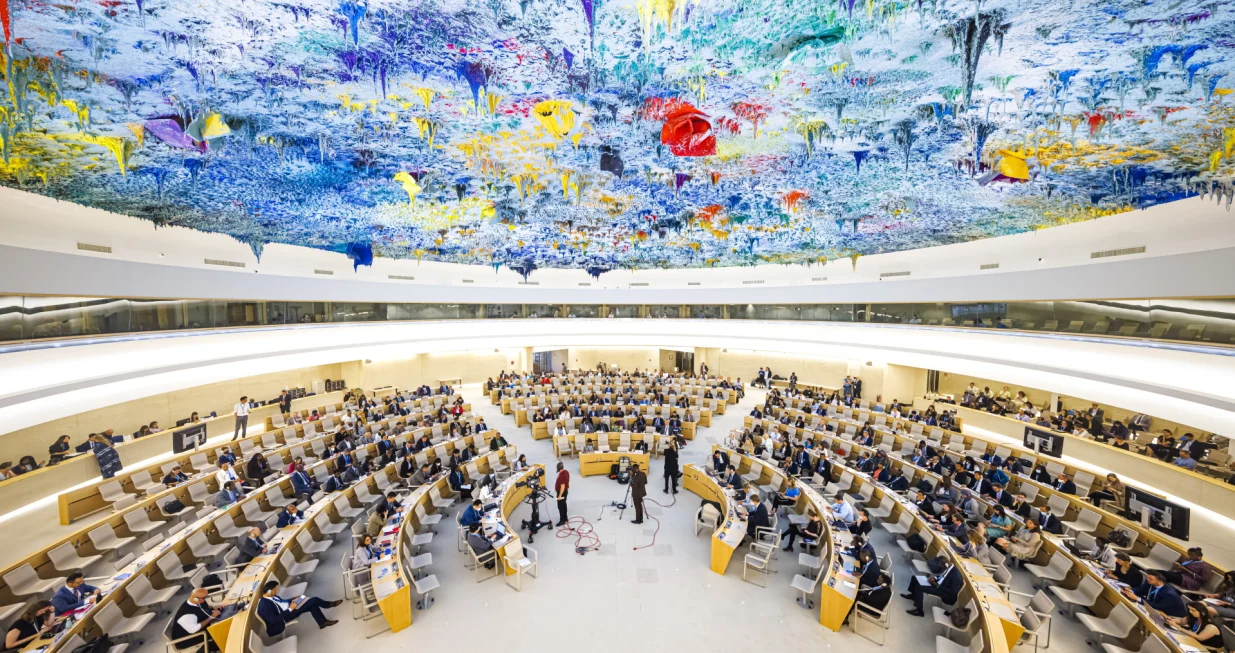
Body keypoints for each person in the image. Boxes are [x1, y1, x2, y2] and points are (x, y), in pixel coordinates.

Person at [255, 580, 340, 634]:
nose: (276, 591)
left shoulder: (271, 596)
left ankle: (323, 623)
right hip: (285, 617)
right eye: (275, 590)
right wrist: (290, 609)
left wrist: (292, 600)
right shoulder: (264, 606)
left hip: (290, 608)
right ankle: (328, 605)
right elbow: (274, 620)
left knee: (311, 604)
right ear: (270, 591)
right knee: (314, 600)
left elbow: (281, 602)